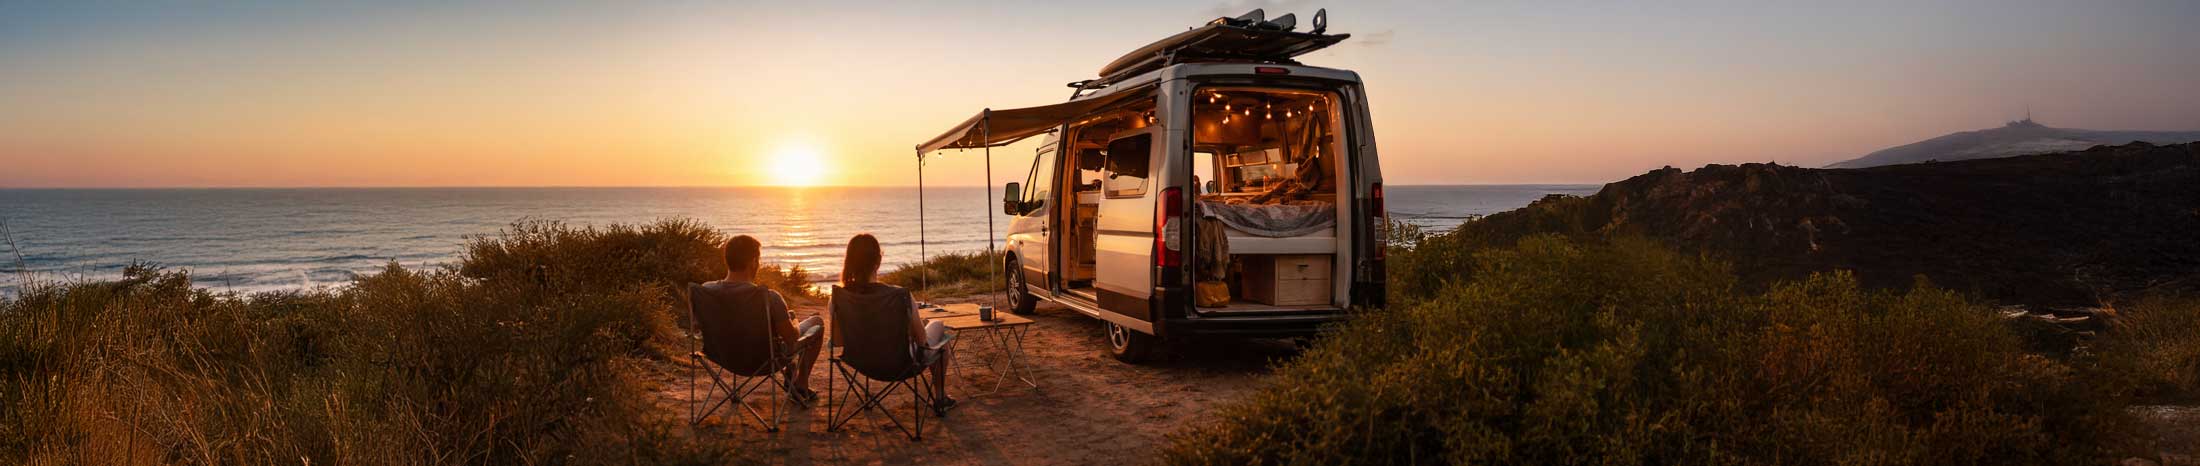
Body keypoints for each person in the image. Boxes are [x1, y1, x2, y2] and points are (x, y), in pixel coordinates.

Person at [835, 233, 956, 411]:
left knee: (927, 326)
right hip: (900, 364)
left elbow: (838, 342)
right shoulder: (900, 295)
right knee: (937, 326)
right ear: (878, 261)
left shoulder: (839, 297)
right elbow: (922, 341)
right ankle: (940, 397)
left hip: (861, 362)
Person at [703, 235, 824, 403]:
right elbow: (791, 338)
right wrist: (795, 322)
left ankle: (792, 371)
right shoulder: (769, 297)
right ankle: (800, 384)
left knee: (785, 317)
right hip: (764, 360)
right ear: (754, 262)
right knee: (816, 322)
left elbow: (700, 327)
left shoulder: (706, 291)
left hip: (723, 356)